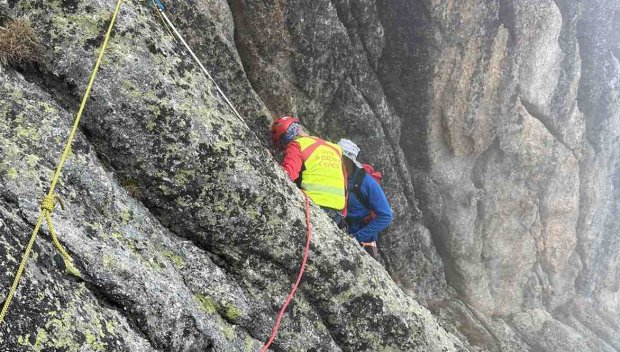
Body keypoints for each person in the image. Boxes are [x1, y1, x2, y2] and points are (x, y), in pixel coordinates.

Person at [271, 116, 347, 228]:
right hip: (337, 214)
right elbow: (345, 184)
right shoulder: (335, 148)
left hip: (314, 207)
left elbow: (288, 174)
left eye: (282, 142)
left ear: (286, 137)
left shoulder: (297, 145)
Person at [338, 139, 393, 257]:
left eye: (340, 157)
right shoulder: (335, 174)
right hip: (341, 228)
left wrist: (358, 237)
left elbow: (386, 216)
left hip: (361, 238)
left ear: (348, 160)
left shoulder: (367, 183)